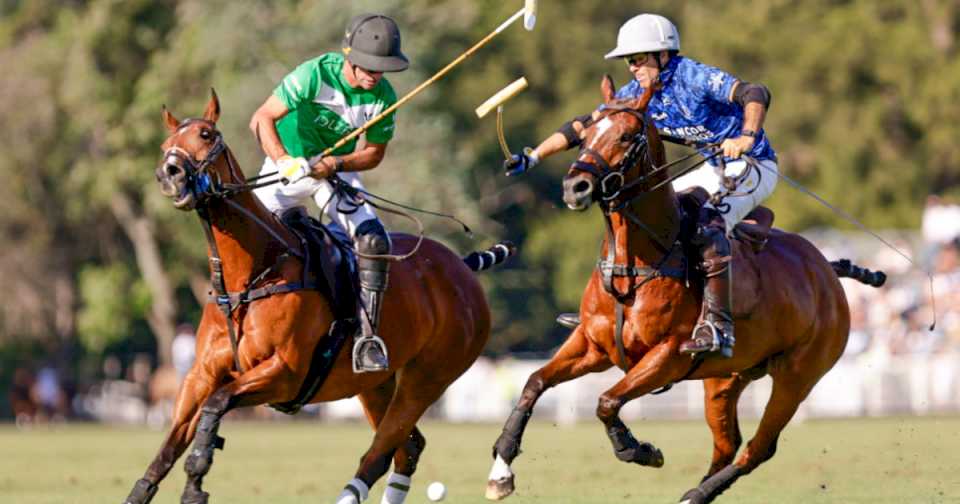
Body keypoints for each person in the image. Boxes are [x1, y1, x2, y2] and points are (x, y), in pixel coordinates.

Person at [506, 14, 778, 358]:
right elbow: (582, 126)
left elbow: (755, 92)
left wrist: (746, 136)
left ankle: (719, 326)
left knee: (708, 226)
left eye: (638, 59)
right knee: (646, 215)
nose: (632, 67)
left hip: (751, 164)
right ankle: (603, 306)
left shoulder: (692, 76)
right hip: (710, 167)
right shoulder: (635, 93)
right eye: (628, 62)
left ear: (663, 55)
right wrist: (533, 157)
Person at [249, 13, 409, 372]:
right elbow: (260, 118)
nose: (374, 75)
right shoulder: (314, 74)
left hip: (333, 174)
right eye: (368, 66)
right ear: (349, 55)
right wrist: (284, 160)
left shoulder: (384, 97)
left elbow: (373, 154)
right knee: (247, 241)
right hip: (284, 168)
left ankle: (367, 340)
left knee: (373, 240)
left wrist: (335, 164)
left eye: (382, 68)